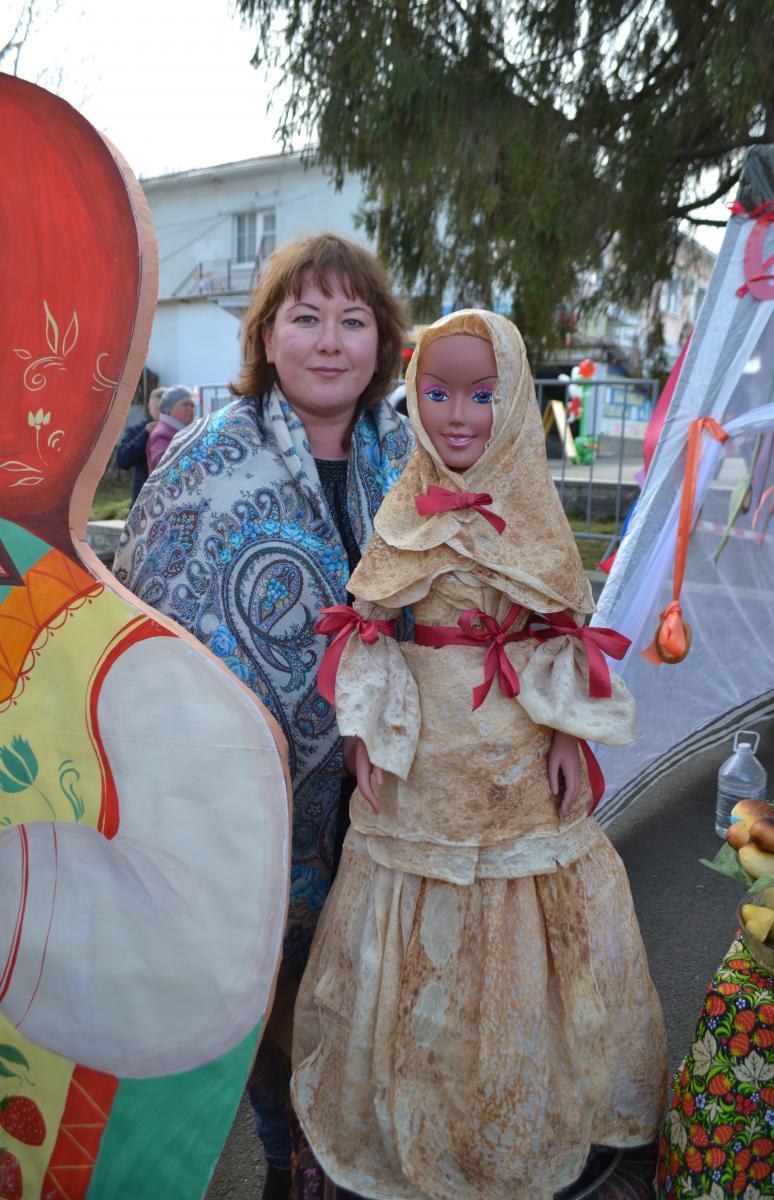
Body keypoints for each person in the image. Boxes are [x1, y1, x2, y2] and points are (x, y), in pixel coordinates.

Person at [292, 309, 667, 1199]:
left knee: (526, 926)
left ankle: (518, 1098)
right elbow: (371, 634)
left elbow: (561, 634)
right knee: (411, 933)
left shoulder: (533, 512)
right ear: (416, 401)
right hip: (421, 766)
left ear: (513, 401)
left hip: (515, 764)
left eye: (483, 395)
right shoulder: (400, 506)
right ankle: (410, 1107)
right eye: (438, 393)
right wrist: (362, 735)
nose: (459, 415)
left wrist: (570, 732)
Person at [112, 233, 414, 1196]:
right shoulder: (201, 462)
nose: (331, 341)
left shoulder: (412, 456)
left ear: (383, 340)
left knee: (372, 992)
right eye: (307, 317)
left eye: (353, 320)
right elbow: (145, 624)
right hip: (247, 803)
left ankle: (353, 1156)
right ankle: (288, 1159)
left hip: (384, 797)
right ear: (269, 334)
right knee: (266, 998)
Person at [116, 384, 164, 500]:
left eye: (166, 408)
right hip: (144, 500)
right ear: (150, 407)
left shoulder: (179, 430)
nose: (162, 412)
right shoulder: (137, 430)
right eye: (158, 408)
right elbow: (123, 461)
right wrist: (145, 434)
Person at [146, 383, 195, 470]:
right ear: (170, 407)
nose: (190, 409)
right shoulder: (162, 434)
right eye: (185, 404)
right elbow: (165, 468)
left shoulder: (179, 430)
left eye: (192, 405)